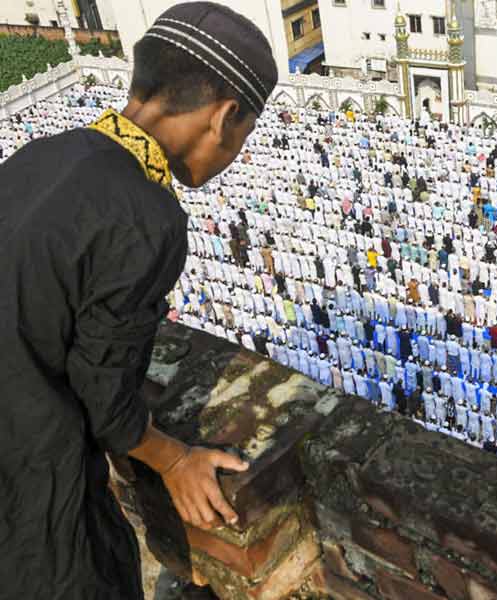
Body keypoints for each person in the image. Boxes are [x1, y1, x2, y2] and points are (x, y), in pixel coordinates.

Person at [0, 3, 277, 599]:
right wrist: (175, 460)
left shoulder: (41, 155)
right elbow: (105, 394)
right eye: (244, 134)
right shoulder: (145, 216)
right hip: (30, 488)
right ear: (224, 117)